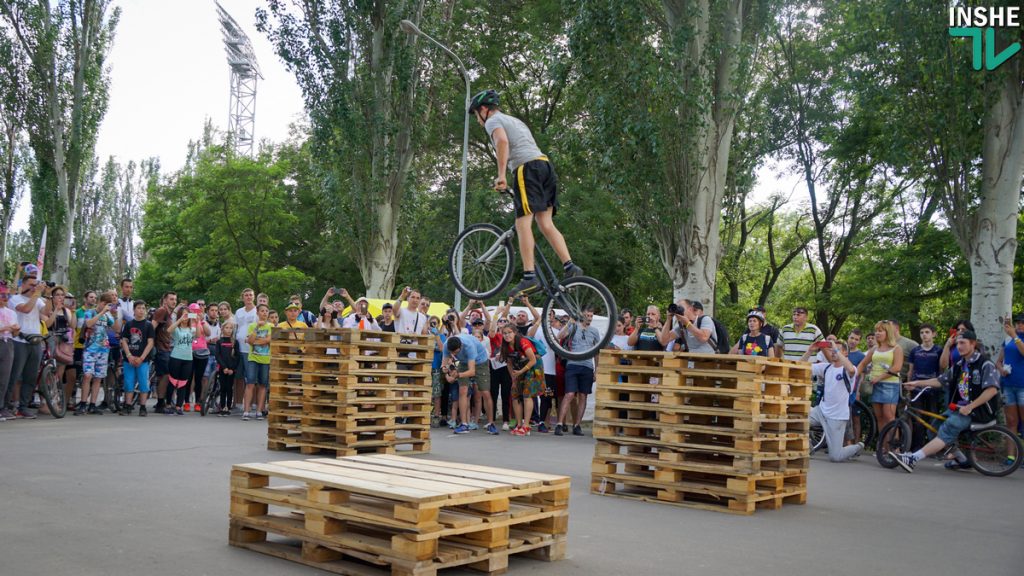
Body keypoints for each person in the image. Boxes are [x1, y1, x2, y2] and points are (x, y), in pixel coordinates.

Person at [468, 89, 583, 297]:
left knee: (522, 223)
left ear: (484, 110)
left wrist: (501, 175)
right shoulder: (515, 121)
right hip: (545, 166)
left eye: (476, 115)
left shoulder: (493, 121)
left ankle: (530, 277)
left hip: (527, 168)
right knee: (545, 223)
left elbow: (503, 142)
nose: (478, 120)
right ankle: (570, 267)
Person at [891, 331, 1001, 473]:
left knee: (947, 429)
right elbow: (940, 380)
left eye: (963, 343)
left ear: (973, 344)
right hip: (958, 408)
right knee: (934, 428)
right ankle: (962, 460)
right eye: (958, 344)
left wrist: (970, 406)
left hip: (977, 411)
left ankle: (913, 459)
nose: (959, 347)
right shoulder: (960, 364)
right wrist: (917, 382)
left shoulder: (985, 364)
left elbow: (992, 390)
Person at [810, 340, 864, 461]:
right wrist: (809, 351)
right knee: (796, 419)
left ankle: (858, 446)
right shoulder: (826, 367)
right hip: (821, 412)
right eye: (832, 350)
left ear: (845, 353)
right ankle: (806, 445)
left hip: (837, 416)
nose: (833, 352)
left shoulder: (849, 369)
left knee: (835, 456)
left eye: (837, 350)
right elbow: (800, 367)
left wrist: (835, 348)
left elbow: (851, 370)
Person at [555, 308, 601, 437]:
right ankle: (559, 423)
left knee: (583, 396)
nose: (589, 317)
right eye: (587, 315)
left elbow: (597, 352)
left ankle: (577, 425)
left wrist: (596, 369)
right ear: (582, 315)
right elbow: (559, 336)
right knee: (569, 394)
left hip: (587, 366)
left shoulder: (595, 331)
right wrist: (570, 321)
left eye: (591, 315)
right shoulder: (574, 326)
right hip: (572, 364)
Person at [75, 292, 118, 415]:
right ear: (101, 302)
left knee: (98, 377)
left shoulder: (108, 316)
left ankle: (93, 404)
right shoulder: (90, 312)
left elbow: (116, 329)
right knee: (88, 375)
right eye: (106, 304)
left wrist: (114, 315)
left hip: (103, 350)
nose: (107, 306)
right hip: (90, 349)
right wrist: (102, 312)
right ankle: (83, 403)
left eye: (110, 305)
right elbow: (88, 324)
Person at [857, 321, 903, 434]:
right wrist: (853, 375)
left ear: (888, 333)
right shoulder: (874, 349)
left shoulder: (897, 348)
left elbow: (897, 367)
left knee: (889, 416)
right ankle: (883, 447)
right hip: (874, 385)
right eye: (876, 331)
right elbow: (862, 364)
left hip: (890, 385)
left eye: (880, 331)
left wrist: (879, 378)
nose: (877, 333)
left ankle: (894, 447)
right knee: (879, 417)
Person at [498, 324, 544, 437]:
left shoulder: (523, 342)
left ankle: (526, 425)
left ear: (515, 332)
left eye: (509, 332)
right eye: (504, 333)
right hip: (519, 369)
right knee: (515, 394)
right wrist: (513, 378)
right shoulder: (506, 346)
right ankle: (519, 424)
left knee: (527, 395)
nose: (507, 335)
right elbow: (509, 363)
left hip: (533, 367)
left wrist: (521, 372)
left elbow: (533, 360)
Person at [443, 333, 492, 434]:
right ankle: (464, 424)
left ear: (461, 346)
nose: (453, 355)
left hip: (480, 362)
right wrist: (447, 372)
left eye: (455, 352)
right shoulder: (446, 345)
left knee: (485, 392)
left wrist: (457, 375)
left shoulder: (469, 346)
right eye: (451, 353)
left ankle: (491, 423)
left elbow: (472, 371)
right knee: (462, 391)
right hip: (464, 363)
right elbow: (443, 365)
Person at [907, 323, 942, 450]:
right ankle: (917, 447)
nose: (924, 335)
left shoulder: (939, 350)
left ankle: (934, 447)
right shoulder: (915, 351)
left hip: (933, 388)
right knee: (917, 418)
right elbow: (910, 370)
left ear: (933, 334)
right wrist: (908, 384)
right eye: (922, 332)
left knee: (933, 417)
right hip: (916, 388)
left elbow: (942, 369)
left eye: (927, 332)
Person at [120, 300, 154, 416]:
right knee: (128, 383)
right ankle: (127, 405)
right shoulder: (129, 324)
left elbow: (150, 343)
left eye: (143, 308)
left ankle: (143, 407)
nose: (141, 310)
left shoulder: (148, 325)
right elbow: (124, 340)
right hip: (129, 359)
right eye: (139, 308)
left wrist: (142, 357)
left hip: (143, 360)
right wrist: (129, 355)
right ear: (134, 310)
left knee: (143, 383)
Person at [44, 285, 76, 410]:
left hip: (63, 344)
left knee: (59, 374)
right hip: (51, 341)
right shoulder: (48, 308)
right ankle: (45, 402)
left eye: (62, 295)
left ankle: (55, 401)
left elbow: (72, 326)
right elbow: (47, 324)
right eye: (57, 295)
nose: (61, 297)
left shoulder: (66, 310)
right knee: (49, 372)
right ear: (52, 297)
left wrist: (72, 311)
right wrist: (56, 310)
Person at [167, 305, 199, 415]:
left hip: (188, 359)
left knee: (182, 383)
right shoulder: (176, 328)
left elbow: (198, 335)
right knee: (172, 381)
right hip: (176, 357)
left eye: (187, 314)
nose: (186, 317)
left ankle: (179, 406)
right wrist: (180, 320)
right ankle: (168, 404)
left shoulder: (192, 329)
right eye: (183, 314)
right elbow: (169, 330)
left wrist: (198, 321)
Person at [243, 303, 273, 421]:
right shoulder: (252, 326)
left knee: (263, 384)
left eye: (266, 311)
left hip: (265, 359)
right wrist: (256, 329)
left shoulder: (271, 326)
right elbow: (250, 341)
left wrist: (255, 341)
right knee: (250, 383)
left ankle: (259, 411)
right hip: (253, 358)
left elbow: (268, 340)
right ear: (257, 313)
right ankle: (246, 411)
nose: (264, 313)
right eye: (262, 311)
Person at [996, 314, 1024, 437]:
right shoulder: (1007, 340)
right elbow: (998, 361)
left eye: (1022, 322)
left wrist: (1014, 336)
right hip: (1008, 385)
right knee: (1011, 422)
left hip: (1023, 386)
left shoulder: (1015, 338)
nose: (1019, 324)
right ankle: (1012, 456)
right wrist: (1001, 370)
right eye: (1017, 322)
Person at [151, 291, 177, 414]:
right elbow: (152, 327)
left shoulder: (169, 314)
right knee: (165, 375)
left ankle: (163, 401)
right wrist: (151, 344)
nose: (174, 301)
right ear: (165, 300)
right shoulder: (162, 311)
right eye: (171, 299)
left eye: (175, 299)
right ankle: (161, 403)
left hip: (167, 347)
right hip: (161, 348)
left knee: (165, 375)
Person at [234, 288, 258, 414]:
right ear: (242, 297)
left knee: (251, 377)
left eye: (250, 295)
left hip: (251, 349)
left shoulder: (257, 311)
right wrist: (233, 344)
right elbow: (235, 328)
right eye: (246, 295)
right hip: (239, 347)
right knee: (238, 377)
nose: (248, 297)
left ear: (254, 297)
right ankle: (237, 404)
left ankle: (252, 404)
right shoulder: (238, 311)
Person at [186, 303, 212, 412]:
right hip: (188, 352)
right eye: (192, 311)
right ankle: (186, 401)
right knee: (188, 378)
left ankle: (198, 402)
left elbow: (208, 333)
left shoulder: (202, 321)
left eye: (196, 311)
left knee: (199, 378)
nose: (194, 313)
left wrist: (201, 321)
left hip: (201, 352)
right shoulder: (185, 322)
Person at [0, 280, 19, 420]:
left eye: (7, 295)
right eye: (2, 295)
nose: (5, 298)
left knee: (4, 377)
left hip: (8, 344)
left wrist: (15, 330)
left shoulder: (11, 313)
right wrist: (7, 328)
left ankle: (2, 407)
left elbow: (15, 332)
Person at [212, 321, 240, 416]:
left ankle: (228, 407)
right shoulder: (219, 342)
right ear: (222, 329)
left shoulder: (235, 342)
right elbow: (217, 355)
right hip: (223, 369)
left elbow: (237, 356)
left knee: (229, 388)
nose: (228, 330)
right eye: (226, 328)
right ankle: (222, 406)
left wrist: (232, 369)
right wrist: (224, 367)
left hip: (231, 370)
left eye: (230, 328)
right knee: (223, 388)